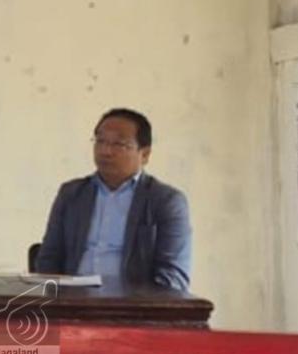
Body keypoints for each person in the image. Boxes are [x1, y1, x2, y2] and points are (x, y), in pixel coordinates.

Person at [34, 108, 192, 290]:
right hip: (73, 300)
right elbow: (48, 260)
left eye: (119, 144)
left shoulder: (166, 201)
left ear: (145, 154)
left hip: (134, 304)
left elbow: (173, 277)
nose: (106, 151)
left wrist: (130, 302)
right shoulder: (72, 194)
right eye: (100, 141)